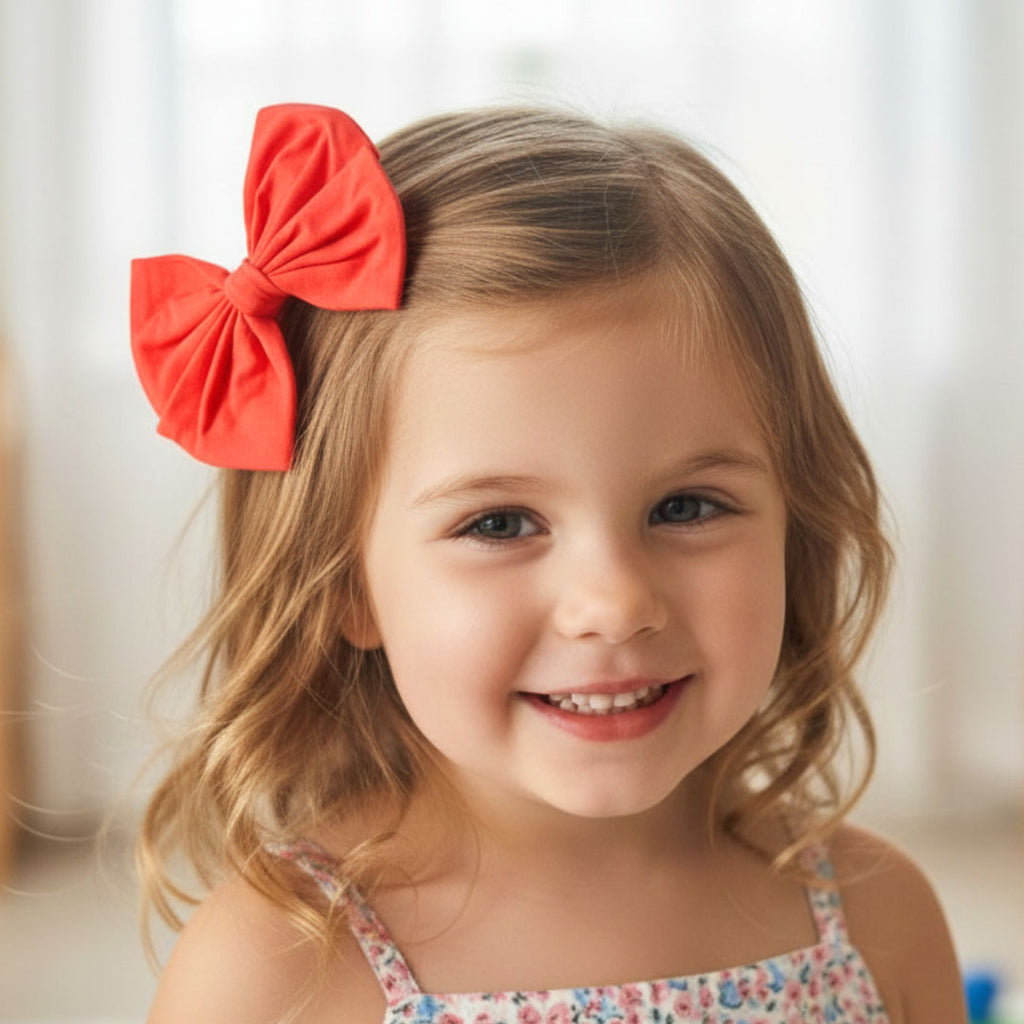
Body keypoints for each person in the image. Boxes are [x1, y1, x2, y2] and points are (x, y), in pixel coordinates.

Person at [131, 103, 965, 1023]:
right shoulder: (275, 972)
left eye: (685, 507)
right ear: (340, 581)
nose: (613, 603)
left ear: (793, 524)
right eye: (498, 523)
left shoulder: (878, 918)